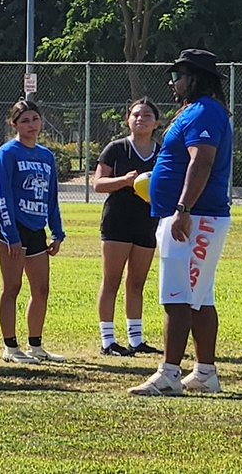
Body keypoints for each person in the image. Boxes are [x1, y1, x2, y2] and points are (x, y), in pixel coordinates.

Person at [129, 49, 232, 396]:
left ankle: (169, 373)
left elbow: (201, 162)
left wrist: (183, 208)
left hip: (194, 217)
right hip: (189, 216)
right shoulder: (195, 110)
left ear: (195, 78)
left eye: (177, 76)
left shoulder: (204, 112)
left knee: (178, 296)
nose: (172, 83)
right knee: (199, 297)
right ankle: (204, 373)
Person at [0, 99, 66, 365]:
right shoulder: (7, 153)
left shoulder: (46, 156)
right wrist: (11, 235)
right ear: (14, 124)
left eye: (35, 119)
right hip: (12, 229)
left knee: (41, 289)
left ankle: (36, 346)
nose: (31, 125)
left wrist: (57, 232)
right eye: (24, 121)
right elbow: (1, 196)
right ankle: (10, 347)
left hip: (36, 229)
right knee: (12, 287)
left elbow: (51, 197)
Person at [93, 98, 163, 357]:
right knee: (111, 281)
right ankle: (108, 341)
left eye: (147, 115)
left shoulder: (162, 152)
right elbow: (98, 184)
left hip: (147, 223)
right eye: (135, 115)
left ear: (156, 123)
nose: (140, 119)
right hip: (117, 222)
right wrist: (124, 181)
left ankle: (136, 340)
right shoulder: (117, 148)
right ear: (127, 120)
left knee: (136, 283)